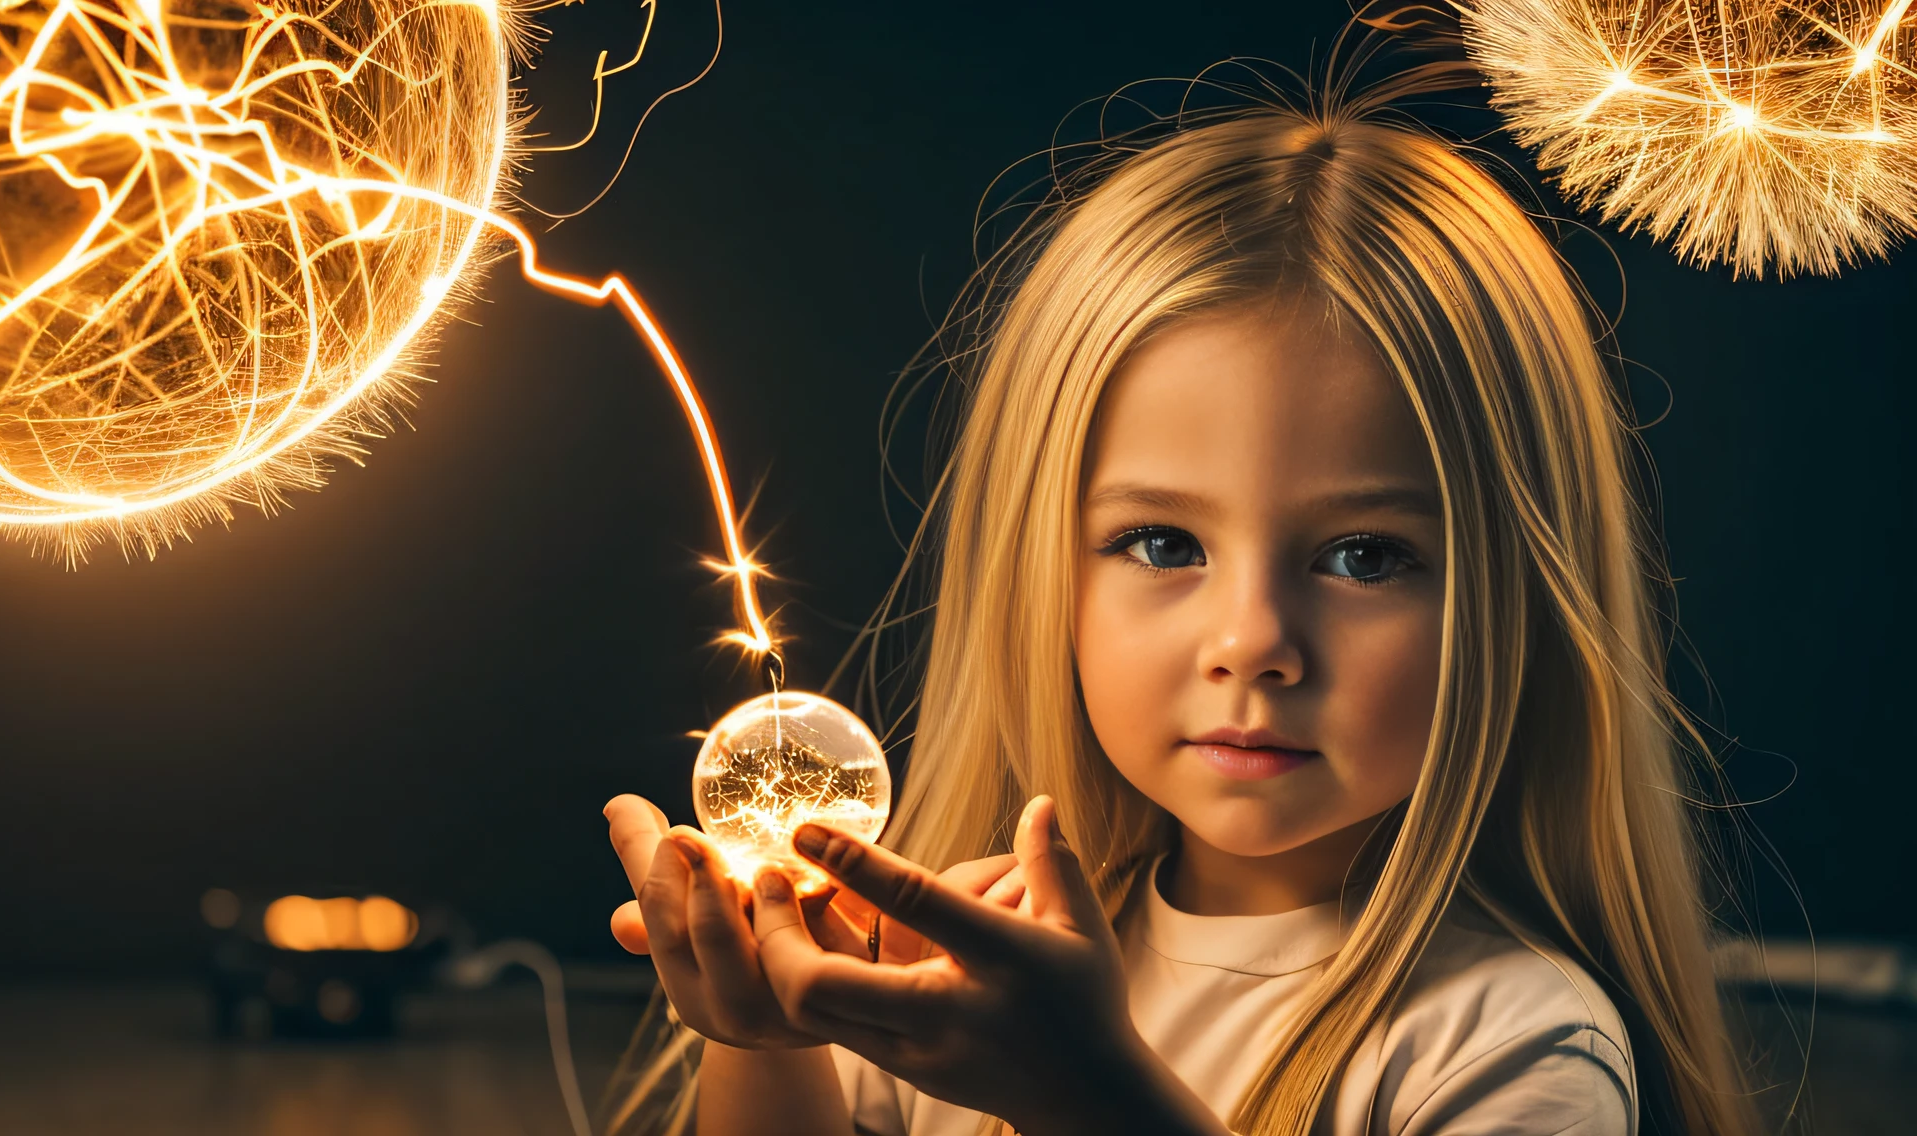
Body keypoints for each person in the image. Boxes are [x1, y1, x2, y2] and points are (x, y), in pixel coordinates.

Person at [600, 75, 1758, 1136]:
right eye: (1161, 541)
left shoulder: (1508, 1045)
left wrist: (1086, 1090)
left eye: (1362, 555)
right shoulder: (956, 973)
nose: (1250, 639)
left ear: (1516, 599)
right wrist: (761, 1042)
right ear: (1038, 569)